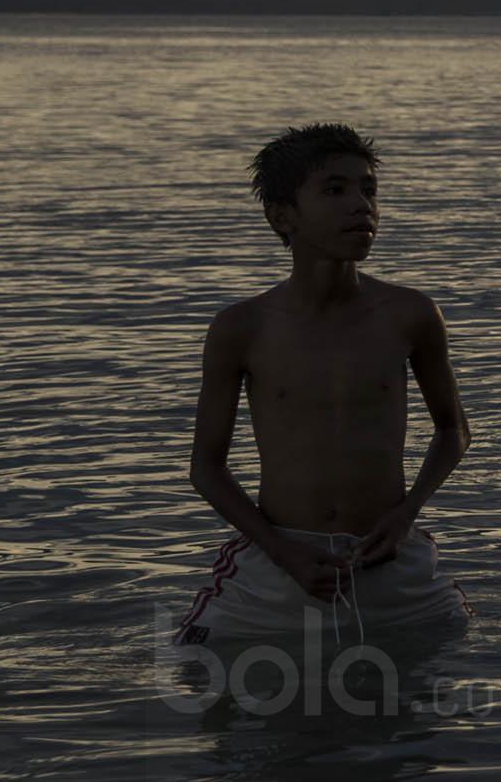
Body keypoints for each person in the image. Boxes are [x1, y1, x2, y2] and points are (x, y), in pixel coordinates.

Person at [177, 124, 470, 644]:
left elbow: (454, 432)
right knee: (196, 679)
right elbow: (206, 468)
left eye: (368, 190)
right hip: (280, 561)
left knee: (437, 696)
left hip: (389, 558)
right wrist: (280, 549)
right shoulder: (242, 328)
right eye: (335, 190)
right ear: (283, 216)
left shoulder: (410, 315)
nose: (361, 206)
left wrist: (406, 516)